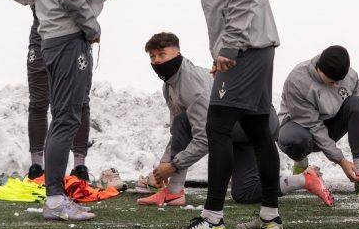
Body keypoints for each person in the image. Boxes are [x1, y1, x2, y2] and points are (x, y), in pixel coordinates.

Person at [160, 0, 281, 229]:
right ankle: (270, 215)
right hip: (252, 45)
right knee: (258, 131)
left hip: (246, 48)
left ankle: (212, 219)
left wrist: (229, 47)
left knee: (217, 127)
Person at [138, 32, 334, 208]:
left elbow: (204, 137)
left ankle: (174, 193)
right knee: (244, 193)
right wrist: (161, 170)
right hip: (239, 130)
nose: (156, 61)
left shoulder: (191, 84)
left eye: (162, 54)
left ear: (178, 54)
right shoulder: (170, 86)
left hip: (254, 121)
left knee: (183, 121)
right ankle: (304, 179)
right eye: (153, 57)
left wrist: (172, 167)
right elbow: (177, 135)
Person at [2, 0, 118, 182]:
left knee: (78, 102)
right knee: (39, 98)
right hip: (41, 29)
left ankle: (79, 162)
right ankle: (37, 162)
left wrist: (88, 5)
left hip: (74, 30)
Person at [35, 0, 124, 221]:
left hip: (58, 36)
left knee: (64, 116)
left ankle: (56, 197)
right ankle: (56, 199)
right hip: (66, 38)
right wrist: (92, 26)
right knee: (66, 118)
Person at [277, 45, 359, 194]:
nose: (337, 85)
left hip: (329, 125)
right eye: (332, 81)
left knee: (357, 103)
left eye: (340, 80)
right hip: (299, 127)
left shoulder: (351, 76)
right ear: (319, 69)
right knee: (296, 140)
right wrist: (341, 161)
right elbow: (313, 126)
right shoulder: (298, 80)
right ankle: (301, 165)